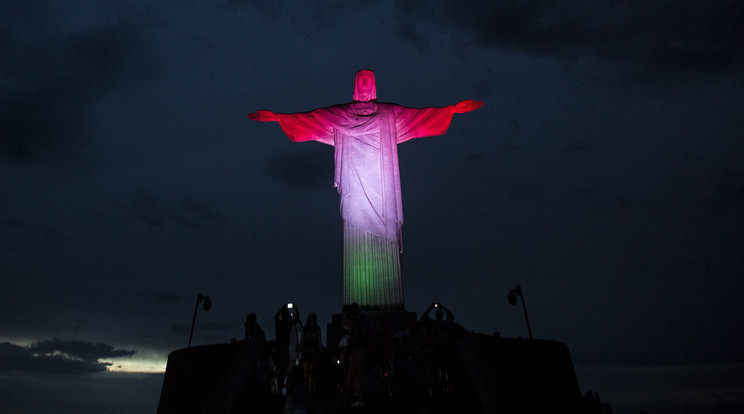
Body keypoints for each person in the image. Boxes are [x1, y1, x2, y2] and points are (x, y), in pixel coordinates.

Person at [248, 70, 483, 309]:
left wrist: (450, 110)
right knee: (356, 231)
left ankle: (387, 303)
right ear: (355, 87)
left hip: (382, 191)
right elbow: (313, 119)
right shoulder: (341, 114)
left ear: (373, 87)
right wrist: (279, 118)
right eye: (360, 81)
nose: (364, 85)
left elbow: (418, 117)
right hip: (355, 190)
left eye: (368, 81)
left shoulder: (389, 114)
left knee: (383, 241)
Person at [299, 312, 323, 394]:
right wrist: (299, 351)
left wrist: (321, 351)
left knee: (310, 372)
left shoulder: (317, 329)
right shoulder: (305, 329)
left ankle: (308, 390)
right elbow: (302, 341)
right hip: (307, 351)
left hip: (312, 352)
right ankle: (306, 389)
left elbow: (319, 341)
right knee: (306, 371)